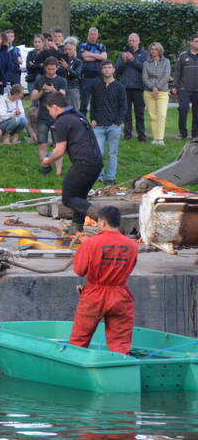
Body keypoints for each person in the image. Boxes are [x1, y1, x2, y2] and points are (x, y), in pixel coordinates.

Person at [69, 206, 138, 354]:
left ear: (103, 222)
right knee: (120, 343)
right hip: (120, 295)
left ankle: (76, 364)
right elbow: (130, 267)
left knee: (79, 340)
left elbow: (79, 270)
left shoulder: (91, 243)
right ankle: (120, 365)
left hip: (94, 294)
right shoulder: (132, 245)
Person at [41, 93, 104, 232]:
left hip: (83, 163)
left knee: (68, 198)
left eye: (49, 110)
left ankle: (101, 217)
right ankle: (76, 227)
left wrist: (47, 161)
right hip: (97, 163)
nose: (49, 113)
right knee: (79, 196)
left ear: (55, 107)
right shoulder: (78, 116)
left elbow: (59, 150)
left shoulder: (62, 122)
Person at [90, 60, 127, 184]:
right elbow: (93, 104)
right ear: (101, 70)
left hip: (113, 125)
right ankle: (99, 177)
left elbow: (123, 107)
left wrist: (117, 122)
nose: (107, 69)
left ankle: (111, 178)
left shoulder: (120, 87)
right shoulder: (96, 86)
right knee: (98, 153)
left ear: (113, 70)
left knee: (112, 153)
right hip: (98, 125)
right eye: (105, 67)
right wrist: (93, 119)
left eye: (109, 67)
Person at [30, 57, 68, 175]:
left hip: (57, 118)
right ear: (45, 68)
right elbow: (33, 97)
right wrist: (42, 91)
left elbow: (62, 97)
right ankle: (45, 168)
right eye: (48, 69)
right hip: (42, 117)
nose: (51, 71)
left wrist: (53, 90)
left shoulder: (62, 81)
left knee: (58, 146)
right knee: (42, 144)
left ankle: (58, 172)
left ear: (57, 68)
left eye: (53, 69)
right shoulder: (39, 80)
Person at [114, 32, 148, 142]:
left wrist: (133, 60)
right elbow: (117, 70)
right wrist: (124, 61)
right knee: (126, 113)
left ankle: (141, 136)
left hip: (139, 87)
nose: (131, 42)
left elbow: (145, 68)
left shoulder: (144, 54)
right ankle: (127, 135)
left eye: (134, 40)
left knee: (140, 113)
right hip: (125, 87)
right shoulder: (122, 54)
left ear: (139, 41)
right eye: (130, 40)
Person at [142, 42, 171, 146]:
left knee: (162, 115)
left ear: (160, 50)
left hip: (162, 92)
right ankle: (155, 138)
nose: (153, 51)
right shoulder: (146, 63)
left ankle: (160, 139)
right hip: (149, 92)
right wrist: (153, 87)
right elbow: (144, 78)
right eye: (152, 49)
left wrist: (157, 87)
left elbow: (166, 76)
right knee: (153, 116)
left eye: (156, 49)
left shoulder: (166, 61)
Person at [172, 33, 198, 140]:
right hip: (184, 89)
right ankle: (182, 133)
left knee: (197, 113)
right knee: (182, 110)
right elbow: (177, 72)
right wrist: (174, 86)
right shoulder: (183, 56)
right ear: (191, 42)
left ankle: (195, 135)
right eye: (196, 41)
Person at [78, 27, 107, 118]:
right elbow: (85, 57)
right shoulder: (83, 45)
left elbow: (104, 57)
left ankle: (95, 122)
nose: (93, 36)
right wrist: (98, 56)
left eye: (95, 34)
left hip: (98, 78)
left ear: (97, 36)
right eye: (91, 34)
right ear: (88, 35)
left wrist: (90, 54)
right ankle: (82, 121)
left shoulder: (101, 46)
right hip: (86, 78)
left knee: (97, 102)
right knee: (84, 103)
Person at [59, 40, 83, 110]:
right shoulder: (60, 61)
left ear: (74, 50)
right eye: (66, 49)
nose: (67, 51)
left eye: (69, 49)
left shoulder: (78, 62)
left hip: (72, 88)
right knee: (61, 110)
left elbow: (77, 75)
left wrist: (67, 67)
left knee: (73, 110)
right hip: (61, 88)